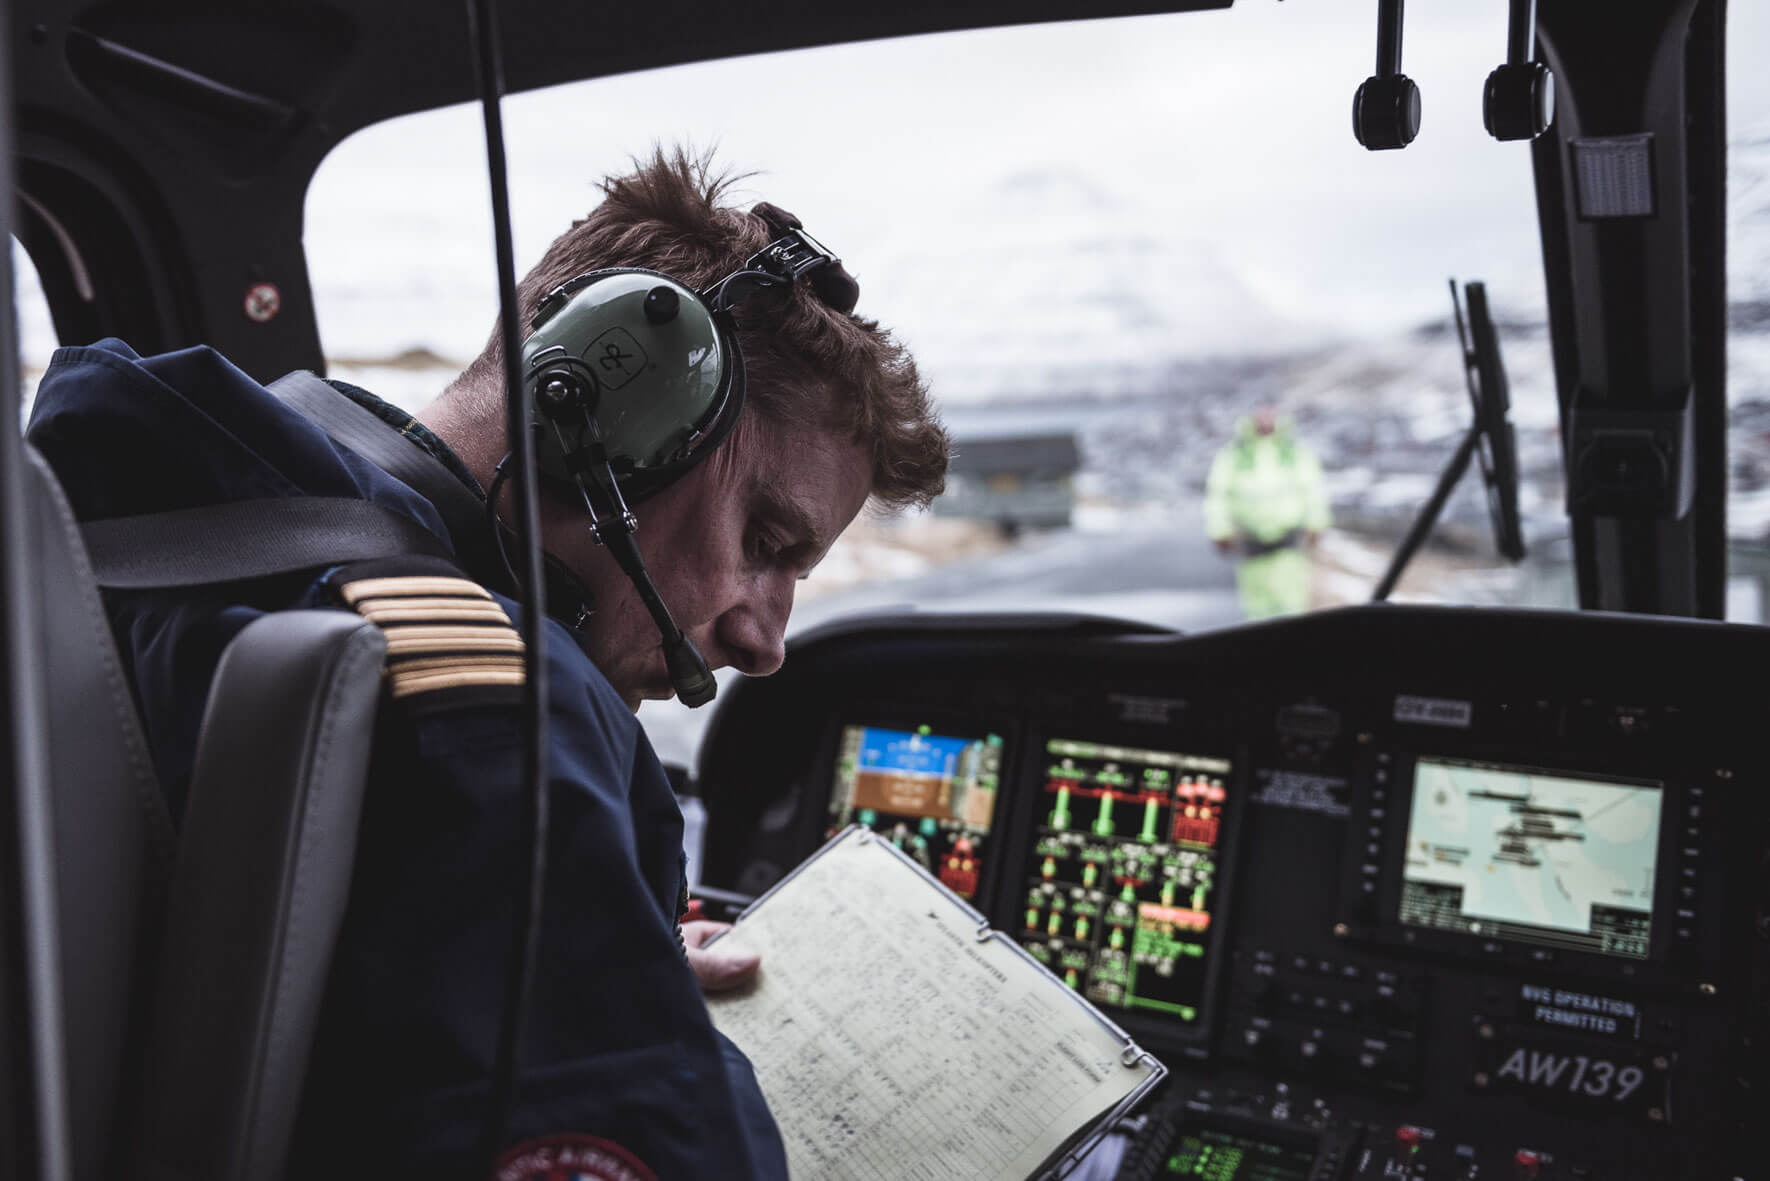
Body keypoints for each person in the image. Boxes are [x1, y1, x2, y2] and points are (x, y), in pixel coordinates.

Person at [26, 148, 949, 1178]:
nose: (764, 641)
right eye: (768, 543)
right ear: (598, 409)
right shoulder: (495, 711)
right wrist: (623, 1042)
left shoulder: (99, 524)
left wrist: (595, 973)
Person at [1203, 404, 1330, 619]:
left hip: (1288, 545)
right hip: (1251, 545)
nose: (1265, 419)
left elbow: (1313, 490)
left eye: (1270, 413)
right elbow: (1218, 494)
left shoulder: (1295, 453)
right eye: (1260, 413)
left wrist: (1317, 524)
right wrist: (1219, 531)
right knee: (1256, 608)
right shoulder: (1233, 456)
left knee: (1292, 605)